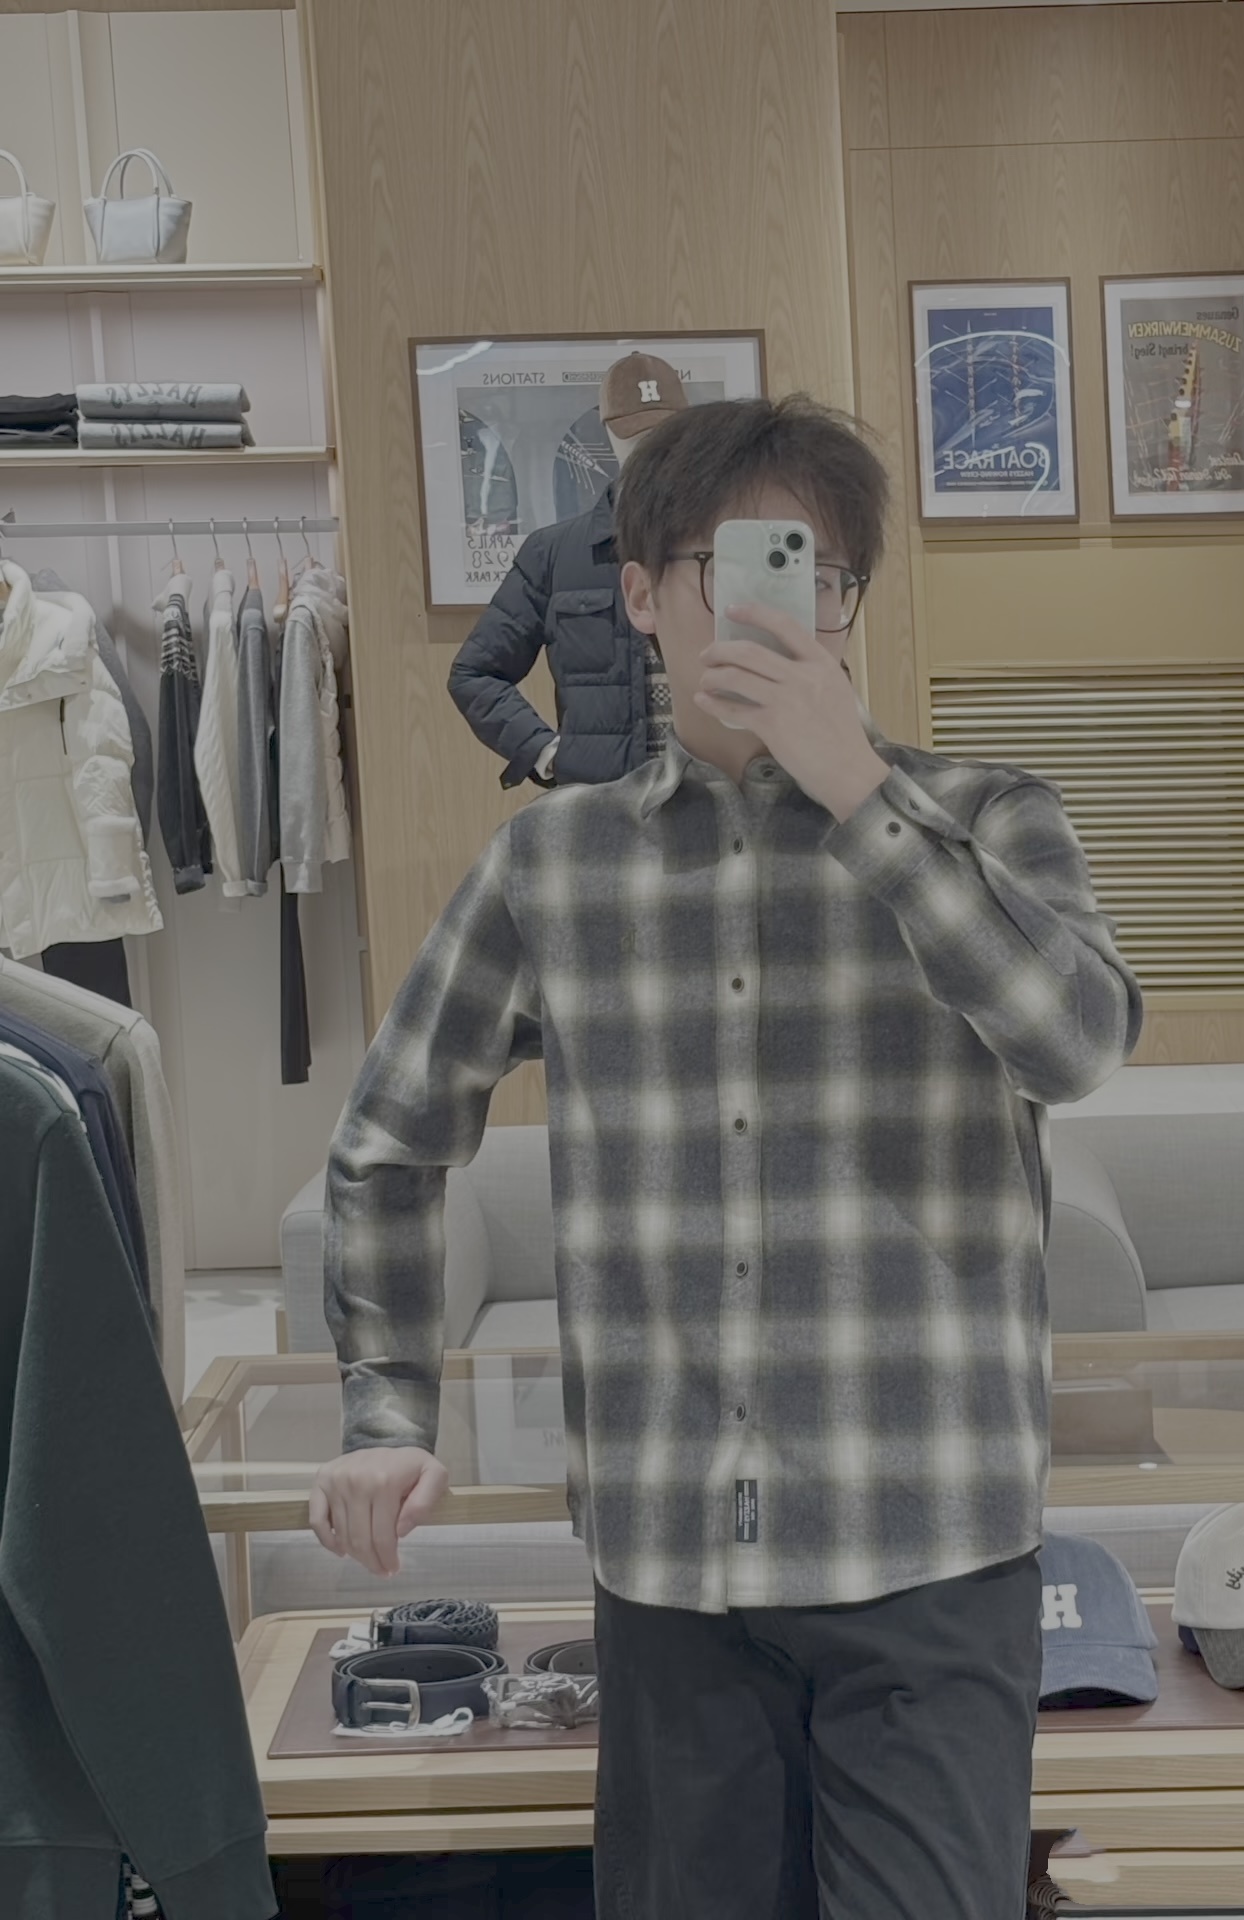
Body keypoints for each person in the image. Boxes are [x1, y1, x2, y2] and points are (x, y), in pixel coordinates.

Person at [312, 395, 1145, 1919]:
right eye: (742, 564)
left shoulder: (992, 821)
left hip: (932, 1557)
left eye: (821, 574)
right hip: (672, 1573)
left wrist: (863, 799)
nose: (790, 606)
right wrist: (385, 1407)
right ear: (641, 593)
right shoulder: (554, 863)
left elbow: (1078, 1044)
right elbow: (388, 1136)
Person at [447, 351, 688, 789]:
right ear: (608, 433)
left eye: (666, 433)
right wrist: (547, 754)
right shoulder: (554, 555)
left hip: (712, 800)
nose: (652, 449)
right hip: (603, 806)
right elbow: (475, 673)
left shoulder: (722, 544)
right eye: (635, 436)